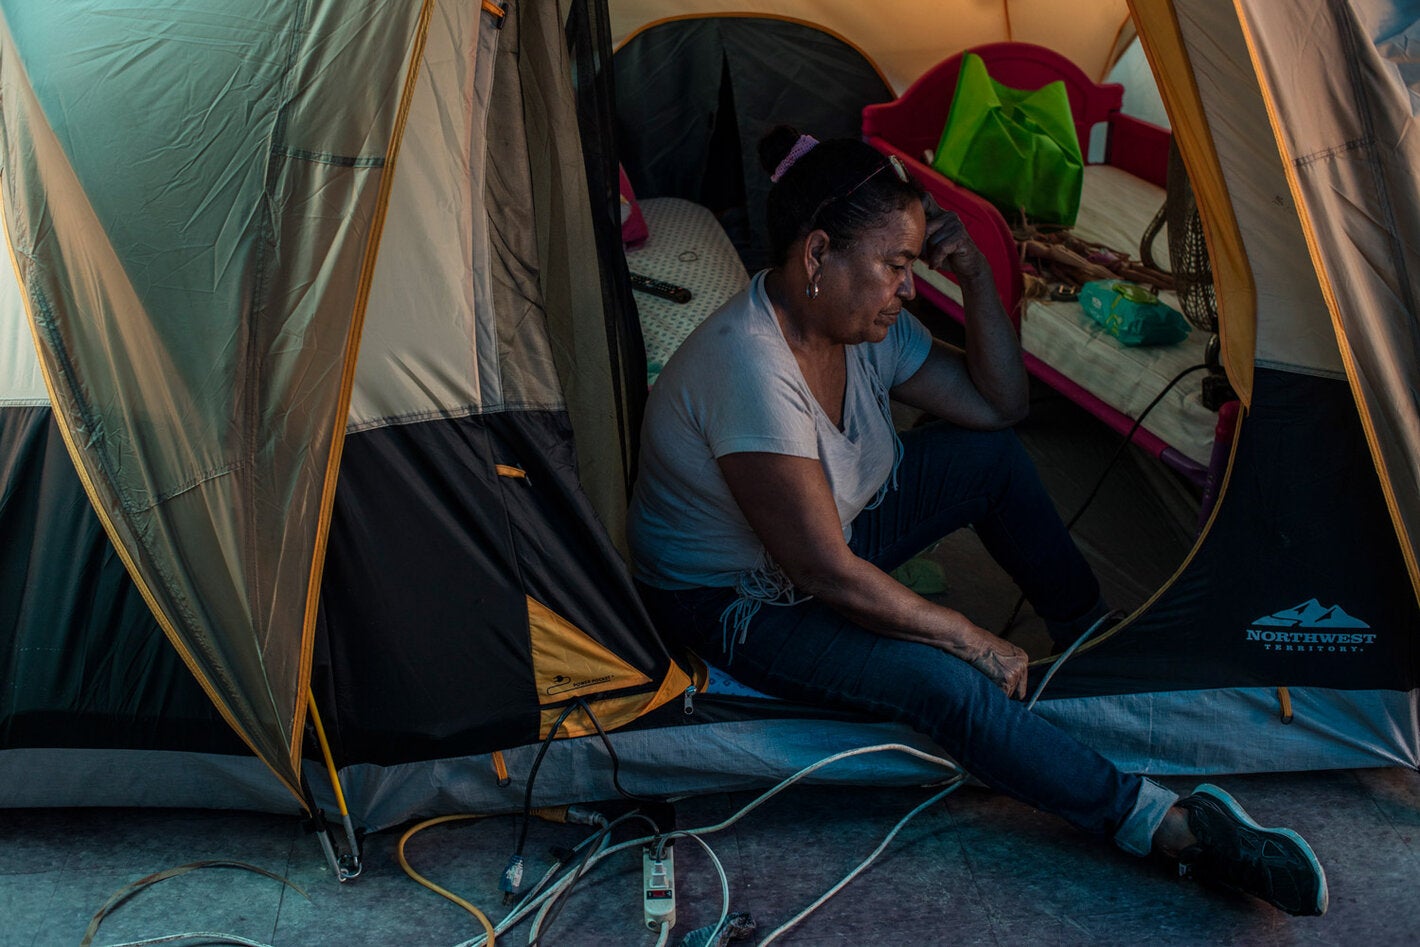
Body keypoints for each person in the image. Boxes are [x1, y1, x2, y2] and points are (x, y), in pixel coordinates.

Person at [626, 126, 1327, 917]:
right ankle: (1166, 827)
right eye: (895, 266)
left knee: (986, 459)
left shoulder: (859, 328)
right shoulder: (749, 365)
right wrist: (965, 634)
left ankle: (1088, 637)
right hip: (734, 598)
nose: (907, 287)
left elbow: (1001, 406)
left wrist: (978, 277)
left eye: (913, 266)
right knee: (942, 680)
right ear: (818, 253)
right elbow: (823, 572)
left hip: (825, 543)